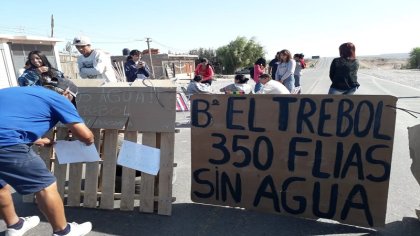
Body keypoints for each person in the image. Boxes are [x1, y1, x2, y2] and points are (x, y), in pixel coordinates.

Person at [0, 77, 94, 236]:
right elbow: (85, 135)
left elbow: (10, 119)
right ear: (66, 93)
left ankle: (15, 226)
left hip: (6, 139)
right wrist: (90, 140)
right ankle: (64, 231)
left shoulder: (17, 91)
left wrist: (35, 139)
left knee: (0, 186)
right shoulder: (59, 98)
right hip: (6, 144)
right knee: (45, 185)